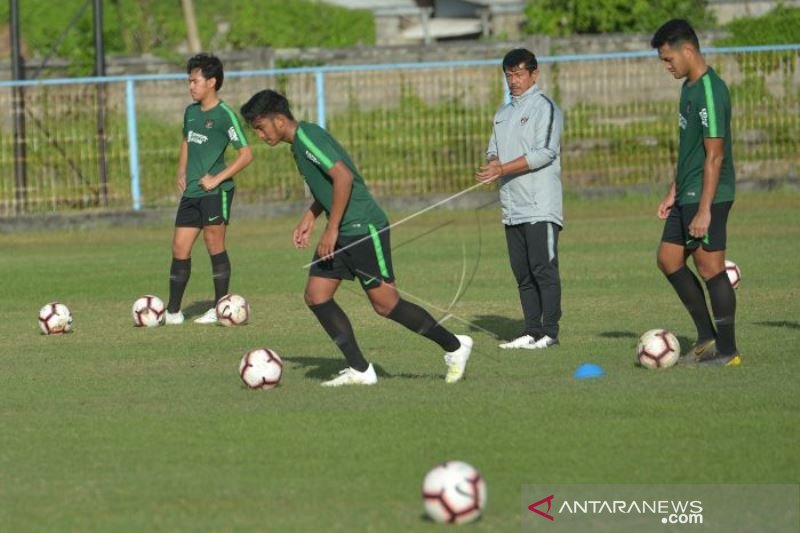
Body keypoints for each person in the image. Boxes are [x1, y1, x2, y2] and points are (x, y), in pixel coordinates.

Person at [240, 89, 473, 387]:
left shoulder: (309, 137)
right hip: (342, 229)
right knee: (316, 296)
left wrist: (331, 228)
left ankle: (455, 346)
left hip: (363, 228)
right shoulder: (297, 145)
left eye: (260, 128)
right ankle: (360, 370)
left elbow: (344, 177)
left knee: (386, 305)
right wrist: (311, 216)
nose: (260, 135)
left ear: (279, 119)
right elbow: (326, 184)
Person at [651, 19, 741, 366]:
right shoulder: (687, 88)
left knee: (710, 267)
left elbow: (715, 155)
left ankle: (728, 350)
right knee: (668, 259)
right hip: (687, 192)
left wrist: (704, 210)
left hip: (710, 195)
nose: (667, 66)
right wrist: (674, 190)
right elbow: (691, 149)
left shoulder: (709, 90)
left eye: (668, 59)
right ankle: (706, 338)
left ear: (687, 50)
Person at [476, 48, 564, 351]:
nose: (514, 80)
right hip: (511, 207)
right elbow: (493, 149)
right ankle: (532, 330)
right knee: (523, 273)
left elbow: (545, 153)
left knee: (543, 269)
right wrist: (492, 164)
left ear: (534, 74)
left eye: (519, 74)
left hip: (540, 205)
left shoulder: (546, 108)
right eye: (509, 75)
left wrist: (503, 168)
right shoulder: (502, 113)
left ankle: (550, 332)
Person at [165, 53, 253, 325]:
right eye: (189, 81)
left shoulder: (225, 115)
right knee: (179, 247)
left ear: (212, 82)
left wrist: (216, 179)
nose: (191, 86)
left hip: (217, 192)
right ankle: (173, 311)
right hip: (192, 192)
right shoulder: (190, 112)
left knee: (214, 244)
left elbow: (246, 154)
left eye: (195, 81)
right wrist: (181, 170)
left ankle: (220, 307)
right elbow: (186, 141)